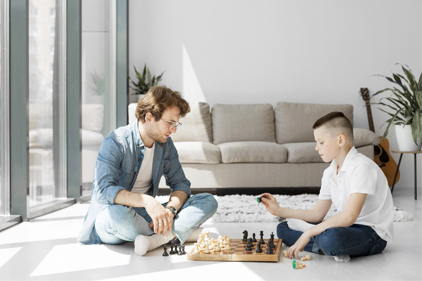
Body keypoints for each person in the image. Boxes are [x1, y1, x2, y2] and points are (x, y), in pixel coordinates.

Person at [77, 86, 218, 256]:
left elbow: (180, 184)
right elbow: (104, 190)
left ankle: (156, 239)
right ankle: (179, 232)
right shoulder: (115, 141)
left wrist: (170, 211)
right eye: (170, 123)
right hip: (114, 214)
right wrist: (148, 201)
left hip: (146, 216)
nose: (173, 130)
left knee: (208, 201)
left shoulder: (166, 145)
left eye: (176, 124)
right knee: (119, 216)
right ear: (149, 117)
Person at [259, 111, 393, 262]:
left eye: (321, 142)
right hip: (344, 227)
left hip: (372, 234)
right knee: (283, 229)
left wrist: (309, 232)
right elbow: (317, 214)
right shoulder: (330, 172)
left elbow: (349, 216)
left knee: (331, 239)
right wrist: (279, 210)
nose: (317, 147)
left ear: (340, 140)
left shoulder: (362, 167)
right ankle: (328, 246)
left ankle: (325, 243)